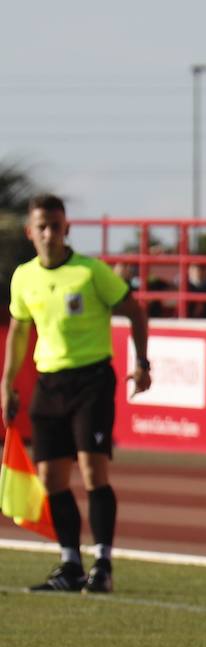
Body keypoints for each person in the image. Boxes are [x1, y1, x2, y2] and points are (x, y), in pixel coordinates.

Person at [2, 194, 151, 593]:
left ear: (67, 228)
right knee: (50, 478)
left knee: (92, 472)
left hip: (92, 381)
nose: (50, 233)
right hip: (49, 383)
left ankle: (102, 564)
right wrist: (8, 383)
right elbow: (19, 330)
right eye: (42, 227)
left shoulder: (91, 272)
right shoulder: (23, 277)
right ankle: (70, 564)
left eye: (56, 225)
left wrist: (142, 362)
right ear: (30, 232)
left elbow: (135, 310)